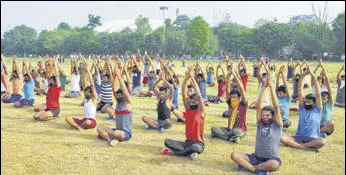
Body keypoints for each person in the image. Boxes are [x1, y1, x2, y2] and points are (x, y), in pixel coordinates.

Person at [231, 73, 283, 174]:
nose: (264, 117)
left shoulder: (277, 125)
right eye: (263, 115)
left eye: (267, 115)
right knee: (234, 155)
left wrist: (271, 88)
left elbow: (276, 107)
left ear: (272, 116)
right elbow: (258, 106)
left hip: (271, 159)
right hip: (255, 157)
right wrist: (264, 87)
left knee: (274, 165)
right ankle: (256, 170)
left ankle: (248, 167)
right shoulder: (260, 123)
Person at [161, 69, 206, 160]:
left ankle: (175, 153)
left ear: (198, 103)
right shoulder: (188, 110)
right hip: (187, 143)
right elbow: (183, 91)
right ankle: (190, 153)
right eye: (191, 102)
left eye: (195, 102)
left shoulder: (201, 112)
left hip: (198, 144)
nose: (193, 104)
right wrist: (187, 77)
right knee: (167, 142)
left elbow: (199, 95)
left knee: (196, 148)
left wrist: (192, 77)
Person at [280, 65, 325, 152]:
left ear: (314, 103)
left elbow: (318, 94)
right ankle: (306, 148)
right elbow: (300, 93)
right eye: (306, 102)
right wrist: (303, 76)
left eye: (309, 102)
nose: (307, 103)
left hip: (313, 138)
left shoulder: (318, 109)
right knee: (281, 137)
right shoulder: (302, 108)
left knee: (322, 141)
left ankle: (301, 146)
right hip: (299, 137)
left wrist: (312, 75)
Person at [96, 65, 133, 146]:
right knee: (99, 128)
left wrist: (119, 76)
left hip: (126, 133)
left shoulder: (128, 103)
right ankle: (109, 139)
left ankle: (109, 136)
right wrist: (115, 76)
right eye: (118, 95)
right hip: (116, 130)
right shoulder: (118, 102)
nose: (118, 96)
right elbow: (113, 89)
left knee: (116, 133)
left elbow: (124, 89)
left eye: (120, 95)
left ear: (124, 96)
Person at [211, 68, 248, 143]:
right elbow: (227, 88)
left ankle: (230, 136)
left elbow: (241, 88)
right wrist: (228, 75)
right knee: (213, 129)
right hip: (229, 129)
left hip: (240, 130)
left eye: (235, 97)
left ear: (239, 97)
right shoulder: (230, 104)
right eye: (231, 97)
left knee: (235, 132)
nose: (233, 99)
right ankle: (231, 138)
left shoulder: (243, 104)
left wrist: (235, 75)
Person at [319, 67, 335, 138]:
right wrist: (321, 77)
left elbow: (330, 91)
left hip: (328, 127)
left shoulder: (329, 103)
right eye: (321, 97)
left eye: (324, 97)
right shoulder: (319, 103)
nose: (322, 99)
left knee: (332, 123)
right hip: (320, 125)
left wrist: (326, 77)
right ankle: (322, 133)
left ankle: (321, 133)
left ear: (328, 98)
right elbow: (317, 90)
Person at [275, 65, 291, 131]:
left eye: (281, 93)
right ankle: (281, 127)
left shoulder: (287, 99)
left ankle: (281, 126)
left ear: (284, 93)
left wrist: (283, 76)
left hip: (285, 120)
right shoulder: (277, 98)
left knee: (288, 123)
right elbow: (276, 86)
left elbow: (286, 87)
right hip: (277, 119)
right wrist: (278, 76)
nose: (279, 94)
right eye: (278, 93)